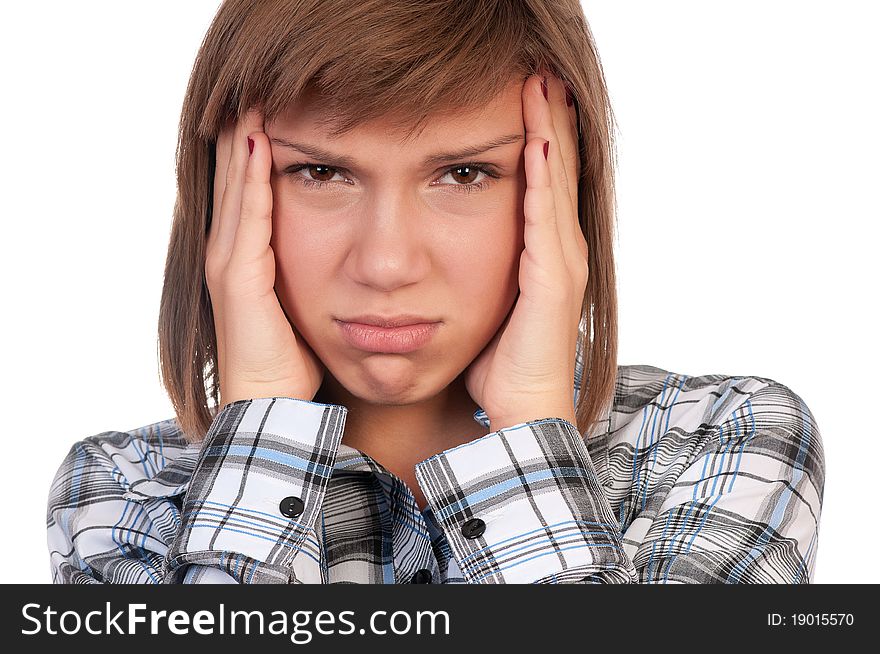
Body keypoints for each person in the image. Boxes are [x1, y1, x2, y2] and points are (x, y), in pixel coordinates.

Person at [46, 0, 824, 584]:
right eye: (320, 172)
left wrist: (531, 424)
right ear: (225, 195)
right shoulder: (125, 489)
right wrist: (264, 425)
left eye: (465, 173)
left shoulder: (720, 438)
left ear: (561, 194)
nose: (387, 264)